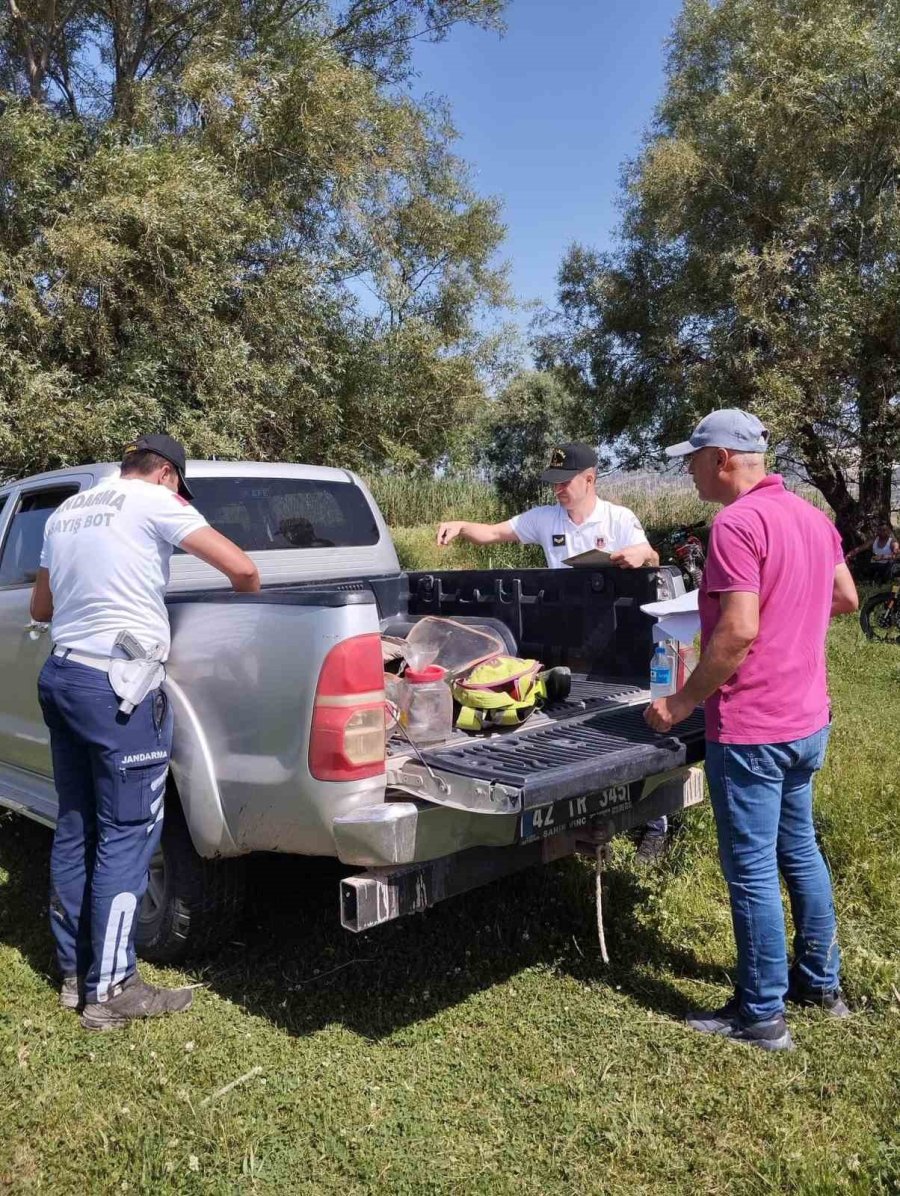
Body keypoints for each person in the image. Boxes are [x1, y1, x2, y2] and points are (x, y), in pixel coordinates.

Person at [30, 434, 260, 1031]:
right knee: (129, 833)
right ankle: (111, 989)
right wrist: (249, 617)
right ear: (166, 475)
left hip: (63, 675)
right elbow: (243, 568)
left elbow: (39, 608)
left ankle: (76, 973)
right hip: (118, 688)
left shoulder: (70, 509)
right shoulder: (158, 501)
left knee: (76, 823)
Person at [644, 409, 858, 1052]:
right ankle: (822, 984)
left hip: (754, 726)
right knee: (801, 852)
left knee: (754, 870)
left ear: (722, 459)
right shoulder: (814, 518)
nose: (688, 470)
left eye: (693, 458)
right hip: (806, 718)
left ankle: (761, 1016)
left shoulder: (737, 523)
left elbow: (737, 630)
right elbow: (844, 597)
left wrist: (681, 703)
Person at [437, 442, 670, 860]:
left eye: (565, 482)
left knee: (628, 723)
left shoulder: (619, 518)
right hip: (566, 638)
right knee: (579, 726)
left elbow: (650, 557)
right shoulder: (545, 519)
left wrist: (642, 554)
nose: (558, 490)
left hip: (614, 635)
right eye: (554, 483)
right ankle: (585, 819)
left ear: (590, 479)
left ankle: (654, 823)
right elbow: (493, 532)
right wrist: (460, 525)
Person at [845, 521, 899, 585]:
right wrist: (850, 554)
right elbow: (861, 548)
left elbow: (896, 555)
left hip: (886, 566)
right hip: (874, 564)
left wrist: (882, 557)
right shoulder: (873, 540)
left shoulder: (892, 542)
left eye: (884, 530)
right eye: (879, 530)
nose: (882, 532)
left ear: (888, 531)